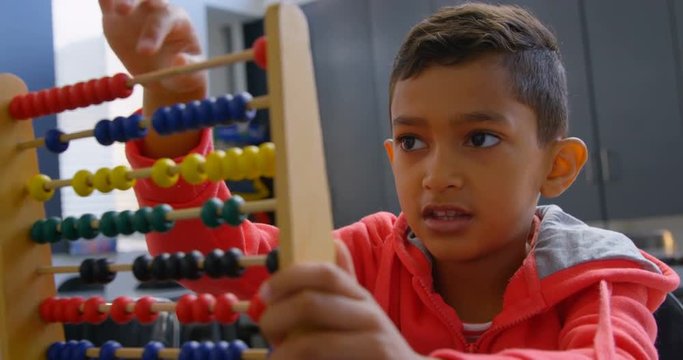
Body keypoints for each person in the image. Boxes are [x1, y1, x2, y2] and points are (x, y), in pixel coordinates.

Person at [100, 0, 679, 358]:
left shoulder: (600, 277)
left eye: (479, 138)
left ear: (556, 167)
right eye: (412, 142)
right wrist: (171, 113)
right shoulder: (368, 256)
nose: (438, 174)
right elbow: (218, 259)